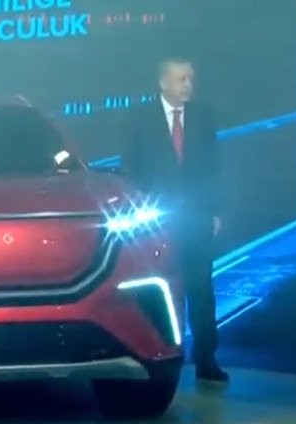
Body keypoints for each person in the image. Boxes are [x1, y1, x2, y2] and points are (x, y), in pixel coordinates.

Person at [120, 57, 229, 383]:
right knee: (163, 287)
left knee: (201, 288)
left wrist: (215, 210)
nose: (188, 85)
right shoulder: (139, 118)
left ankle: (206, 358)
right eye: (181, 79)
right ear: (163, 82)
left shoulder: (203, 117)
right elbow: (131, 168)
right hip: (157, 220)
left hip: (196, 216)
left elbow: (213, 166)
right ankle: (165, 355)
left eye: (190, 78)